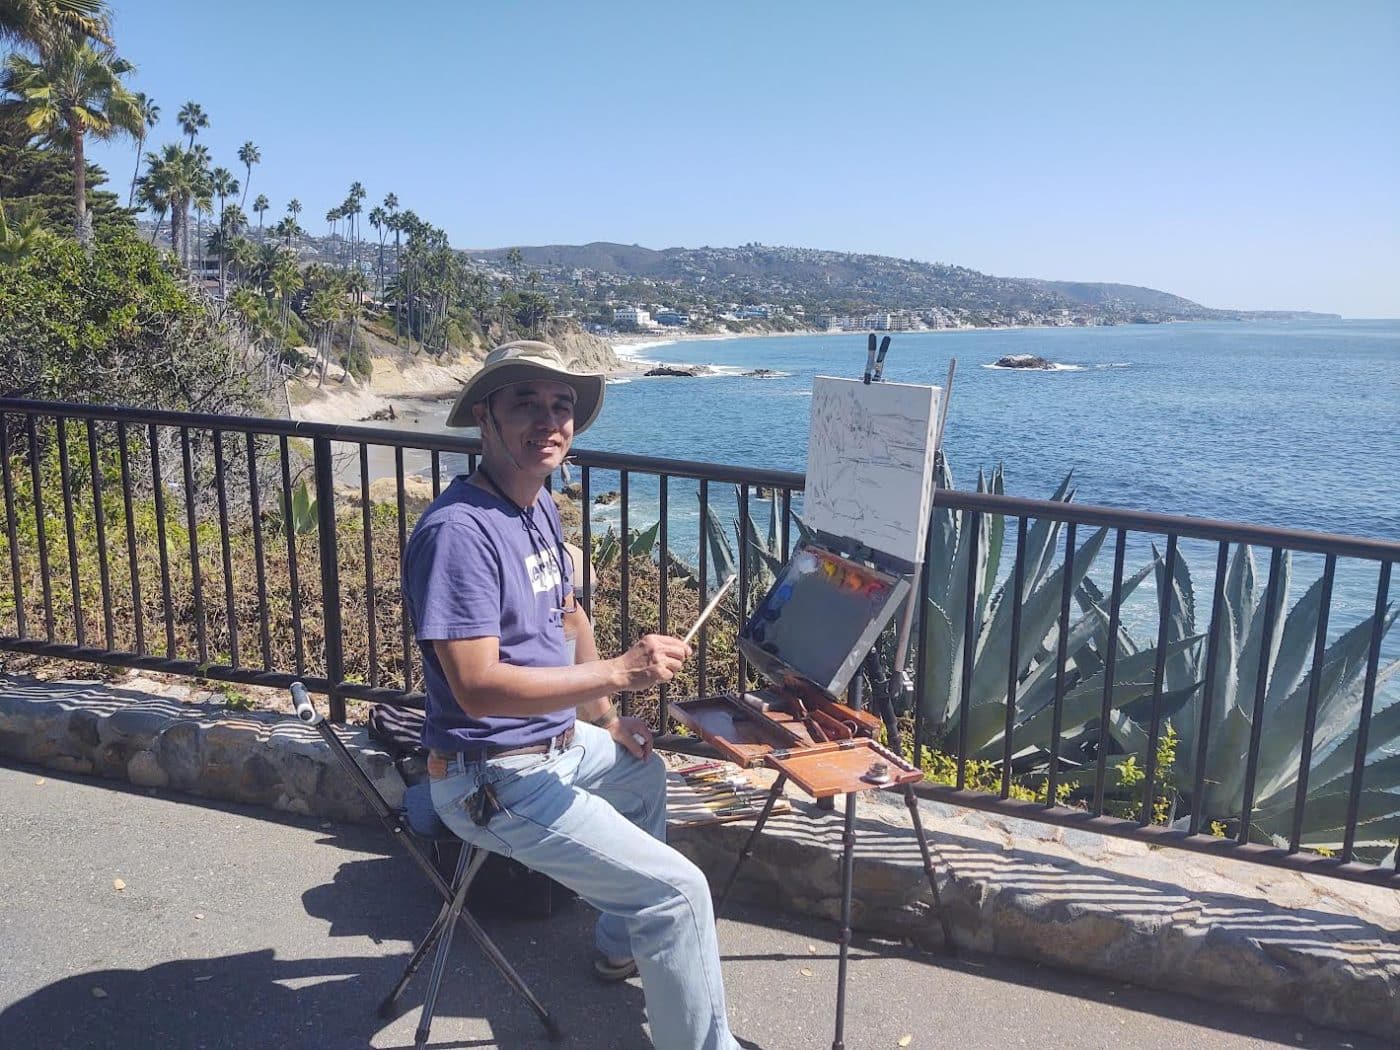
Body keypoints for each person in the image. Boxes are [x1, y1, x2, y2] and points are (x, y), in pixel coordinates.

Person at [402, 340, 741, 1050]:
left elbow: (569, 617)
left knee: (643, 774)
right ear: (485, 416)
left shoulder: (539, 507)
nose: (549, 421)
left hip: (554, 744)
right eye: (525, 402)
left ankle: (620, 945)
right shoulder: (459, 533)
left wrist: (607, 719)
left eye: (561, 407)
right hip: (489, 777)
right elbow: (476, 688)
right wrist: (618, 672)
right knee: (679, 892)